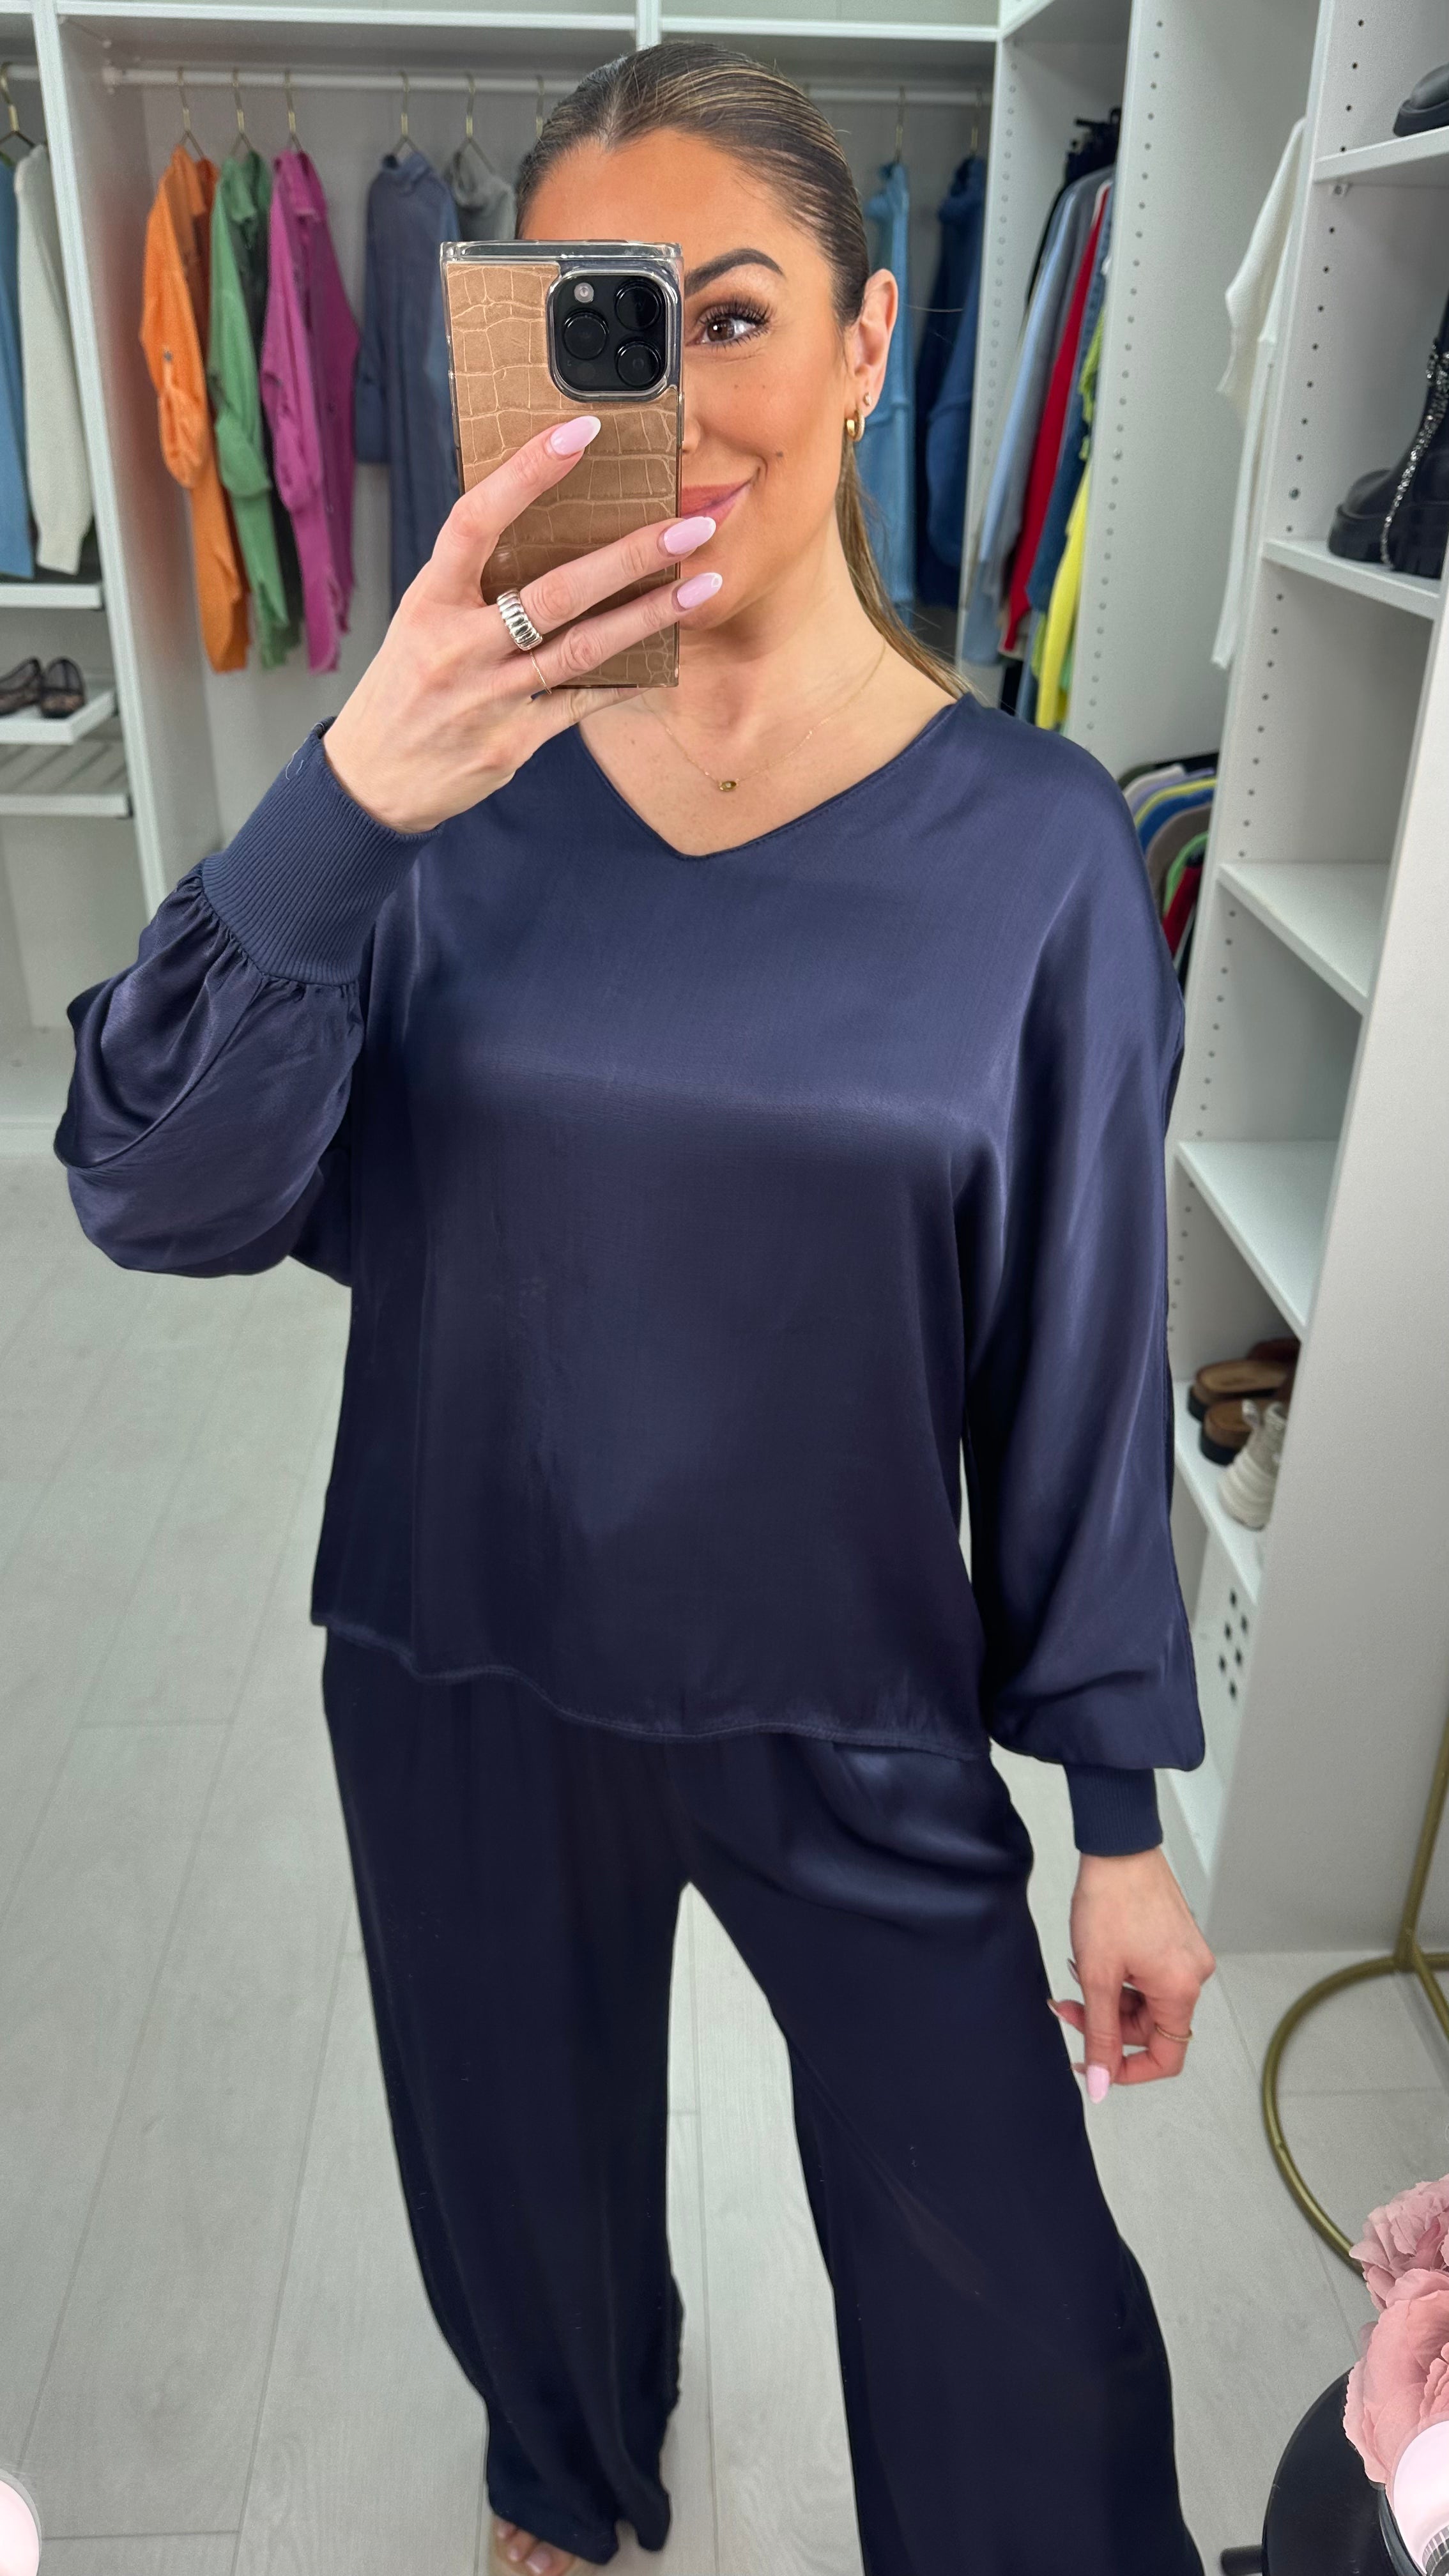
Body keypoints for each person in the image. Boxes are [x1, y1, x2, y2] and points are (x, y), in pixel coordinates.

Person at [54, 40, 1216, 2576]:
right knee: (515, 2181)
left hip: (847, 1693)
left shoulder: (1031, 853)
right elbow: (147, 1189)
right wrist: (353, 791)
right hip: (461, 1649)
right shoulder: (437, 801)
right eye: (605, 322)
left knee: (1017, 2311)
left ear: (874, 345)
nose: (676, 398)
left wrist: (1120, 1826)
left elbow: (1080, 1364)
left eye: (739, 313)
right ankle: (569, 2472)